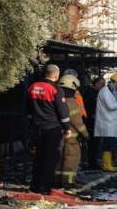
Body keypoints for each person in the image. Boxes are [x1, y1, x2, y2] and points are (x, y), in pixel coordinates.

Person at [27, 64, 70, 195]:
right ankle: (45, 187)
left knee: (38, 157)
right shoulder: (55, 89)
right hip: (52, 128)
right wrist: (67, 128)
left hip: (36, 128)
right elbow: (62, 110)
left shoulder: (32, 87)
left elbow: (27, 108)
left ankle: (34, 186)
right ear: (56, 75)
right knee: (51, 158)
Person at [55, 75, 89, 188]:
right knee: (71, 158)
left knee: (60, 158)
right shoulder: (71, 101)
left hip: (59, 135)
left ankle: (57, 180)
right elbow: (77, 121)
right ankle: (68, 182)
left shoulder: (58, 99)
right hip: (72, 137)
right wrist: (85, 134)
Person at [95, 73, 117, 172]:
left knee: (109, 144)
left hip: (109, 122)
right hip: (107, 123)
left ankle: (108, 163)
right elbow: (111, 106)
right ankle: (106, 165)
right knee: (108, 144)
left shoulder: (108, 91)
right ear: (116, 82)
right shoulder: (105, 92)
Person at [82, 76, 105, 169]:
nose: (103, 87)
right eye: (102, 84)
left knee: (95, 143)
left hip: (94, 121)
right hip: (91, 122)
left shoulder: (95, 93)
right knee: (93, 143)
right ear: (96, 83)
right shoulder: (91, 93)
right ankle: (92, 163)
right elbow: (88, 107)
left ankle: (93, 162)